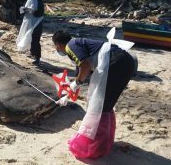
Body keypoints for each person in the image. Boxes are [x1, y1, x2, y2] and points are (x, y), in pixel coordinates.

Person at [52, 30, 135, 159]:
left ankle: (94, 147)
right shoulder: (81, 45)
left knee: (100, 106)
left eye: (55, 46)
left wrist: (76, 83)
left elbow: (85, 67)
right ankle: (103, 143)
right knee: (106, 104)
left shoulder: (71, 46)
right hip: (127, 62)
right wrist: (67, 96)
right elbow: (82, 73)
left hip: (116, 62)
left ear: (57, 44)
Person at [16, 0, 44, 65]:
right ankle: (33, 54)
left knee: (35, 40)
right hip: (29, 24)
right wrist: (23, 9)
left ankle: (37, 58)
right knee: (30, 39)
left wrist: (28, 10)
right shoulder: (28, 1)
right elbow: (25, 12)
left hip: (37, 24)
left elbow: (39, 13)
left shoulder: (38, 0)